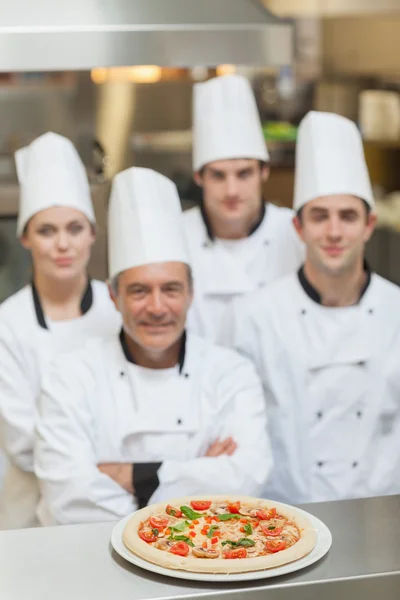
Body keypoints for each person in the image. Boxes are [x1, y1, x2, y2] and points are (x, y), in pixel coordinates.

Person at [34, 167, 271, 526]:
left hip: (209, 568)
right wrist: (199, 475)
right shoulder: (70, 376)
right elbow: (69, 498)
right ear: (114, 296)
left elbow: (246, 480)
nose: (157, 308)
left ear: (191, 293)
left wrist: (128, 476)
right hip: (92, 563)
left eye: (171, 289)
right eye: (139, 291)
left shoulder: (231, 373)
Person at [229, 111, 400, 504]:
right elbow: (237, 435)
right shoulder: (252, 317)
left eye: (348, 217)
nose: (335, 232)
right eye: (320, 217)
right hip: (281, 520)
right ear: (298, 227)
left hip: (385, 520)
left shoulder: (396, 312)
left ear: (370, 225)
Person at [0, 133, 121, 529]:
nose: (63, 245)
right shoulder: (7, 324)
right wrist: (115, 463)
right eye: (47, 231)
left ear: (93, 233)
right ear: (25, 238)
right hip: (28, 515)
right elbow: (22, 444)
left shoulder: (121, 309)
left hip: (119, 506)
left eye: (74, 228)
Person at [183, 74, 304, 342]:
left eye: (244, 174)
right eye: (218, 175)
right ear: (198, 177)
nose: (232, 191)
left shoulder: (295, 234)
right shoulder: (176, 236)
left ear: (264, 172)